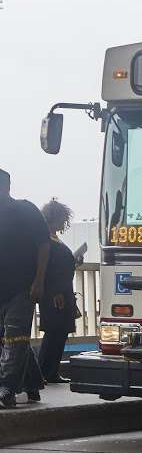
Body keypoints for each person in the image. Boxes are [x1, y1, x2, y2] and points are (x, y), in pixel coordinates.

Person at [0, 169, 49, 407]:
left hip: (22, 288)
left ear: (5, 186)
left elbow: (44, 244)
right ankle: (32, 382)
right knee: (10, 338)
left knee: (15, 337)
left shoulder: (25, 209)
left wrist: (39, 281)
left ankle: (7, 388)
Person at [37, 199, 79, 384]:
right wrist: (56, 292)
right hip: (55, 294)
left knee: (59, 332)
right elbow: (48, 270)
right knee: (54, 332)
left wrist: (75, 261)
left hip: (62, 291)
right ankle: (45, 372)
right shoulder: (46, 240)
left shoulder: (53, 239)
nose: (64, 223)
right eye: (62, 219)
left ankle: (50, 371)